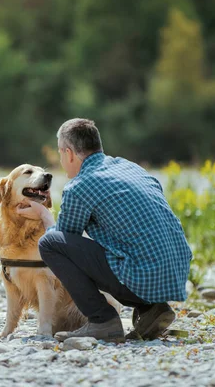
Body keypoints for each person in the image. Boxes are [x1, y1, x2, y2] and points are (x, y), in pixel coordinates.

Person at [16, 118, 193, 342]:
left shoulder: (81, 185)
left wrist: (43, 215)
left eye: (61, 154)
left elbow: (63, 239)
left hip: (142, 279)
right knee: (128, 248)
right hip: (175, 276)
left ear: (69, 153)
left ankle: (102, 321)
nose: (61, 160)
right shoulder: (131, 168)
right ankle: (153, 309)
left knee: (49, 244)